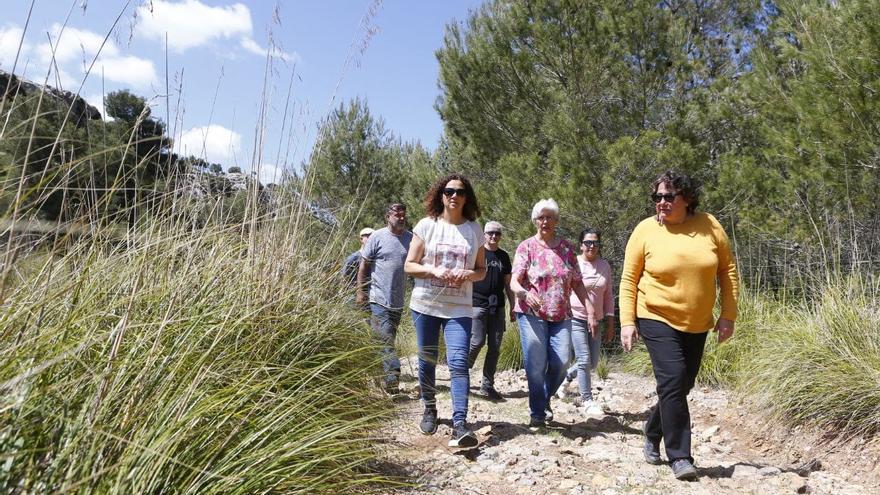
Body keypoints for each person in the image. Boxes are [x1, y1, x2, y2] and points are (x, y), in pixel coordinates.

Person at [619, 170, 738, 481]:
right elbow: (629, 280)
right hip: (655, 315)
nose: (661, 202)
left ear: (687, 198)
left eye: (668, 196)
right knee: (672, 381)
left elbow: (728, 272)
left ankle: (652, 428)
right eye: (657, 197)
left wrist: (728, 315)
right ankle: (681, 456)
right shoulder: (645, 230)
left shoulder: (710, 226)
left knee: (681, 385)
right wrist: (627, 321)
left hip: (697, 322)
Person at [404, 173, 486, 448]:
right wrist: (432, 270)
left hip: (459, 308)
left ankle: (460, 423)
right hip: (426, 305)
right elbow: (409, 265)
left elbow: (481, 271)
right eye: (449, 191)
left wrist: (467, 274)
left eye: (460, 192)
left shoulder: (475, 230)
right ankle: (430, 408)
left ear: (467, 197)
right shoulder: (427, 226)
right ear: (441, 195)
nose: (454, 196)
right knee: (427, 360)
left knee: (459, 362)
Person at [509, 199, 594, 429]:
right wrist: (525, 294)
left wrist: (591, 309)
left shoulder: (566, 248)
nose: (545, 221)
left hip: (561, 315)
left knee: (562, 361)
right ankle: (537, 413)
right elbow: (515, 282)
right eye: (541, 217)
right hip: (531, 313)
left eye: (549, 217)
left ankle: (543, 398)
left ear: (556, 221)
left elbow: (577, 283)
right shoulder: (526, 247)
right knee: (536, 362)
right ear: (535, 221)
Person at [559, 227, 616, 417]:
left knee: (591, 362)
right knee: (583, 359)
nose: (591, 246)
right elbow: (564, 290)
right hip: (575, 317)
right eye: (587, 242)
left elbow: (608, 296)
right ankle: (587, 400)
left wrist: (610, 322)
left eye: (595, 243)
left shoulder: (605, 266)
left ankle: (566, 377)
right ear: (581, 245)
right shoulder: (574, 263)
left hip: (597, 320)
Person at [357, 204, 412, 395]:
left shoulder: (410, 238)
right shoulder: (377, 237)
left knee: (386, 341)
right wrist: (360, 291)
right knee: (385, 339)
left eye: (403, 215)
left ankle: (378, 376)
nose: (401, 218)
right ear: (387, 216)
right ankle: (392, 380)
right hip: (377, 298)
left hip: (398, 301)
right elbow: (364, 265)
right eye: (397, 215)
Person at [467, 220, 514, 401]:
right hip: (477, 305)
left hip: (498, 307)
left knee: (494, 346)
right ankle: (461, 374)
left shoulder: (503, 256)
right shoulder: (478, 253)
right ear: (484, 234)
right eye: (490, 233)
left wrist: (513, 306)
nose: (493, 236)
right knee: (476, 342)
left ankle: (487, 385)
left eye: (497, 233)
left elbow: (508, 284)